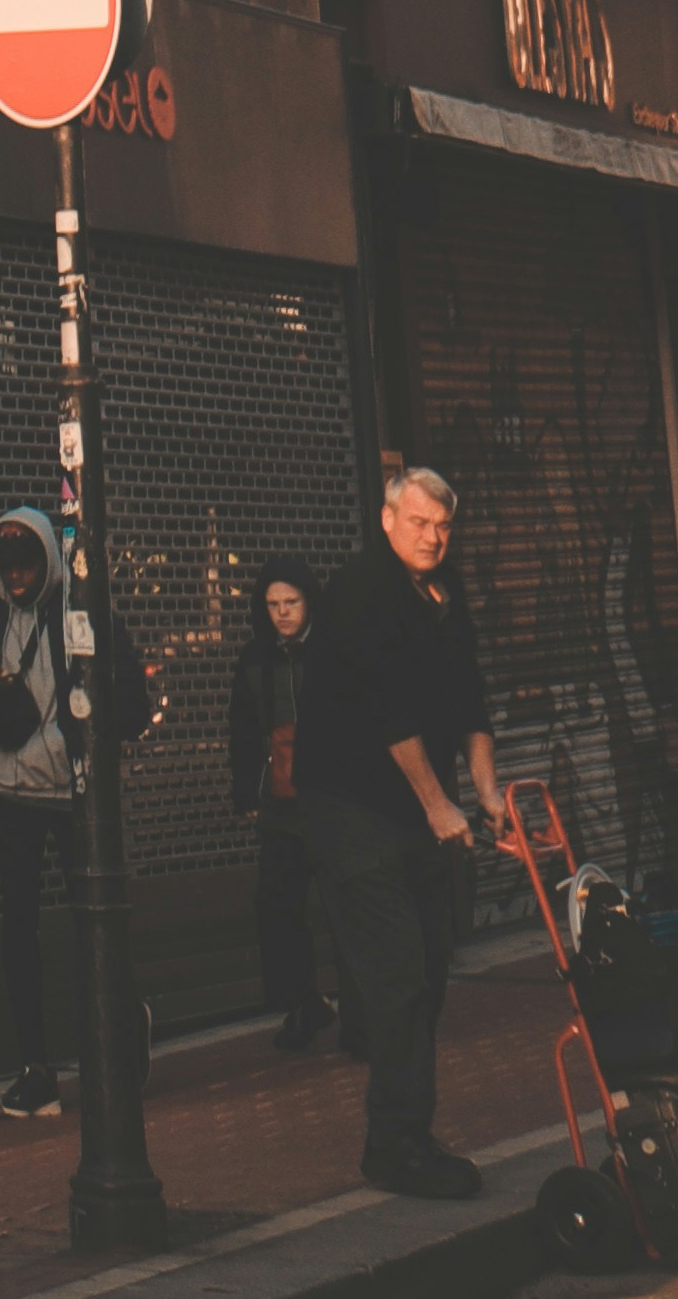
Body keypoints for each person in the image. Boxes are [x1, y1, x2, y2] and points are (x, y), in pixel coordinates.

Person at [295, 465, 503, 1200]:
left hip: (416, 807)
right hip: (351, 805)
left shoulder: (444, 596)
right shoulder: (360, 590)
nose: (432, 537)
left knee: (430, 969)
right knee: (399, 972)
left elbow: (471, 695)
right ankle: (397, 1144)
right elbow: (388, 710)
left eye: (443, 526)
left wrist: (484, 792)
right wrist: (439, 805)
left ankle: (404, 1127)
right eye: (418, 523)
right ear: (388, 520)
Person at [0, 503, 148, 1124]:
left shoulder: (81, 611)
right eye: (4, 566)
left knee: (94, 922)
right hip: (11, 792)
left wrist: (84, 729)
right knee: (19, 930)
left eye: (27, 563)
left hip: (73, 794)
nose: (16, 577)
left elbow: (131, 703)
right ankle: (35, 1067)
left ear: (48, 561)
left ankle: (117, 1041)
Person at [228, 558, 330, 1051]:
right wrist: (245, 790)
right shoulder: (254, 658)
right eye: (272, 605)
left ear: (309, 602)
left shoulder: (332, 652)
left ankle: (363, 1013)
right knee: (276, 909)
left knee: (345, 908)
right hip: (281, 802)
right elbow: (242, 729)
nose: (282, 613)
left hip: (333, 800)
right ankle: (301, 1004)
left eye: (291, 603)